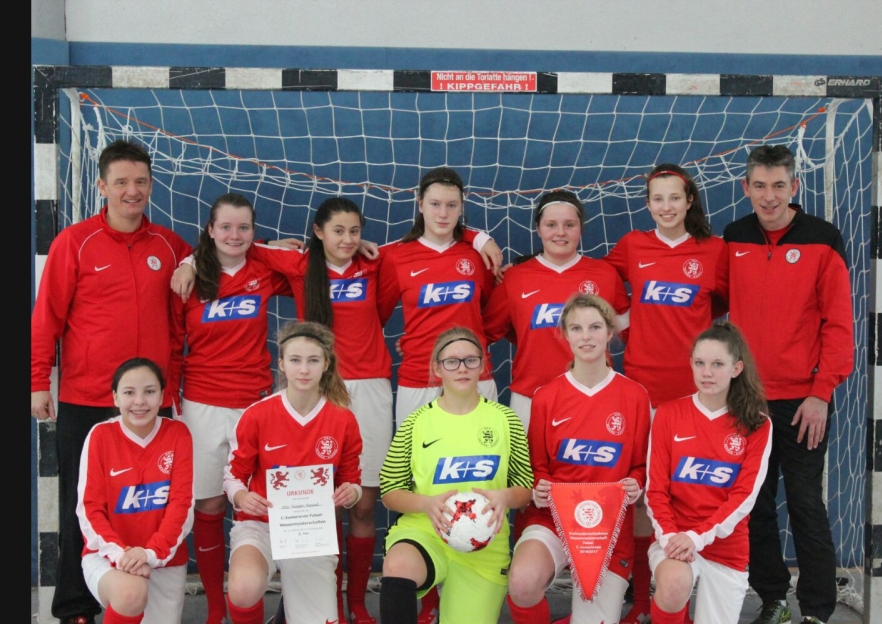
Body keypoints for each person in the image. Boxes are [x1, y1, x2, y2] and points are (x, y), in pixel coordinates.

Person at [30, 139, 192, 624]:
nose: (131, 191)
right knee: (81, 507)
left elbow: (216, 260)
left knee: (148, 503)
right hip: (87, 399)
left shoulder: (170, 246)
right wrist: (38, 380)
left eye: (140, 181)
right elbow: (46, 317)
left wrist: (193, 261)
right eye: (121, 182)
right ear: (102, 186)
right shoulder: (74, 242)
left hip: (152, 402)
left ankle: (136, 594)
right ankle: (75, 608)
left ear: (151, 185)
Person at [242, 197, 392, 624]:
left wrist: (479, 238)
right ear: (318, 231)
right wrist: (274, 243)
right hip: (316, 387)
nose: (347, 239)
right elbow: (240, 245)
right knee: (320, 504)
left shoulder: (374, 264)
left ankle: (357, 602)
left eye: (354, 231)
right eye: (338, 231)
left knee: (362, 504)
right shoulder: (299, 265)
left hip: (370, 387)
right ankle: (323, 601)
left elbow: (425, 245)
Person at [723, 144, 854, 624]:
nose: (769, 196)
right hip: (747, 398)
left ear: (794, 186)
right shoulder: (734, 237)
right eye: (759, 185)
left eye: (779, 185)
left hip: (803, 401)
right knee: (753, 507)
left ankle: (816, 611)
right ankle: (774, 600)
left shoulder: (823, 238)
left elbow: (839, 324)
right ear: (746, 187)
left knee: (804, 506)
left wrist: (821, 393)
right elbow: (708, 302)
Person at [602, 163, 729, 624]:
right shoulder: (633, 246)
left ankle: (678, 596)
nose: (666, 206)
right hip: (641, 388)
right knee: (639, 494)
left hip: (697, 395)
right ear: (648, 203)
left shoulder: (714, 250)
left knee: (688, 491)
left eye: (675, 197)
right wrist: (627, 325)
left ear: (690, 200)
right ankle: (641, 598)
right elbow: (596, 280)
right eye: (658, 198)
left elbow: (722, 304)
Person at [168, 193, 292, 624]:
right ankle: (215, 609)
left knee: (256, 504)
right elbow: (173, 343)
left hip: (254, 405)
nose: (234, 235)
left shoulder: (264, 270)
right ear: (210, 230)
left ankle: (266, 600)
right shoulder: (189, 278)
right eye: (225, 227)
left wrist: (272, 249)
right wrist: (189, 261)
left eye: (244, 228)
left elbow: (309, 267)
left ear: (254, 232)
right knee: (207, 507)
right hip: (200, 406)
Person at [506, 294, 651, 624]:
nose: (586, 336)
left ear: (609, 332)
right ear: (565, 335)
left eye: (595, 327)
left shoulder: (634, 396)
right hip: (552, 520)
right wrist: (540, 486)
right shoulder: (546, 396)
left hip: (608, 530)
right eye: (576, 328)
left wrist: (636, 482)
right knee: (523, 583)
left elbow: (640, 466)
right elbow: (537, 467)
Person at [378, 327, 533, 624]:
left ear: (482, 366)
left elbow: (525, 487)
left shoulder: (506, 420)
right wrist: (426, 504)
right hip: (426, 531)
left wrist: (505, 496)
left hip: (484, 544)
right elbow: (390, 491)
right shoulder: (416, 423)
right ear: (437, 368)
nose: (462, 368)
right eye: (451, 361)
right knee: (399, 565)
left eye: (470, 360)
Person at [222, 321, 364, 624]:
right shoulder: (257, 414)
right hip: (260, 525)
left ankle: (290, 614)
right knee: (244, 588)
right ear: (282, 364)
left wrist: (351, 493)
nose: (304, 369)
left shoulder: (342, 419)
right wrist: (243, 498)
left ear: (326, 364)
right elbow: (233, 476)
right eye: (295, 360)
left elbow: (352, 479)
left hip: (310, 529)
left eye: (313, 360)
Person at [645, 321, 772, 624]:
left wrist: (697, 537)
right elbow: (655, 490)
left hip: (726, 549)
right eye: (700, 363)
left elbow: (743, 497)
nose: (707, 373)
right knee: (674, 584)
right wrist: (671, 537)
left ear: (736, 368)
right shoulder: (668, 414)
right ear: (691, 364)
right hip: (674, 539)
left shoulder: (757, 424)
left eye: (717, 364)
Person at [482, 189, 629, 428]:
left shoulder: (605, 274)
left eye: (569, 225)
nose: (561, 232)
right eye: (551, 225)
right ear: (538, 229)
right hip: (531, 398)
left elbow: (630, 331)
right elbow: (485, 332)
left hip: (594, 394)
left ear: (581, 228)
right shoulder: (515, 278)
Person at [377, 166, 499, 428]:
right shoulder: (396, 257)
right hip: (420, 378)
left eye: (451, 205)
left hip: (474, 375)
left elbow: (493, 314)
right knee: (417, 454)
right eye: (435, 204)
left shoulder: (479, 255)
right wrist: (415, 339)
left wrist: (472, 341)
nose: (443, 214)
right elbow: (375, 318)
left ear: (461, 207)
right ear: (420, 204)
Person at [76, 358, 195, 624]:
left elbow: (182, 505)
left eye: (149, 391)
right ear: (115, 397)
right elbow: (90, 509)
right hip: (108, 555)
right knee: (131, 593)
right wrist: (123, 555)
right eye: (129, 392)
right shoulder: (100, 435)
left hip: (164, 558)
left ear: (162, 396)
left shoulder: (178, 433)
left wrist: (150, 553)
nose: (139, 401)